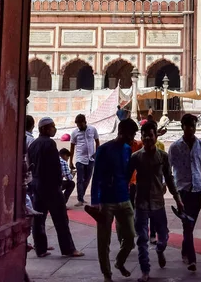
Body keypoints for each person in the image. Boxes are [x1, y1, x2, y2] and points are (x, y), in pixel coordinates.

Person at [129, 121, 182, 282]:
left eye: (150, 135)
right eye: (144, 135)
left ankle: (160, 250)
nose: (147, 138)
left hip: (158, 202)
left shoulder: (163, 157)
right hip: (141, 203)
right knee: (142, 238)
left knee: (163, 236)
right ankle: (145, 270)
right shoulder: (136, 157)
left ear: (156, 136)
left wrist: (177, 199)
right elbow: (125, 178)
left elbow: (170, 179)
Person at [88, 118, 139, 282]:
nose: (132, 138)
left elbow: (126, 173)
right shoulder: (104, 149)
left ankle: (119, 261)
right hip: (106, 201)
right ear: (121, 133)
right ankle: (107, 274)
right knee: (104, 241)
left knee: (131, 238)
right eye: (131, 135)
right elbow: (96, 176)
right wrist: (95, 200)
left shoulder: (127, 149)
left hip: (124, 198)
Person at [27, 117, 84, 258]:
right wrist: (58, 183)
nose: (54, 128)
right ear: (45, 129)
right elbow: (54, 166)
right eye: (52, 126)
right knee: (61, 220)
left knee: (39, 218)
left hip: (36, 185)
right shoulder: (50, 144)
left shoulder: (33, 145)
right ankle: (68, 249)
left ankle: (40, 249)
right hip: (51, 187)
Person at [168, 113, 201, 272]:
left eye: (193, 126)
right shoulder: (175, 147)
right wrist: (165, 187)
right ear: (183, 127)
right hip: (182, 190)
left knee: (190, 224)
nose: (191, 129)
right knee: (187, 224)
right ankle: (192, 259)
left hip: (197, 189)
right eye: (188, 126)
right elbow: (167, 170)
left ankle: (184, 249)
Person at [70, 113, 100, 206]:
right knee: (80, 179)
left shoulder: (93, 129)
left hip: (91, 158)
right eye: (77, 125)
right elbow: (72, 146)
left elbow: (97, 141)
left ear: (85, 122)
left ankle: (82, 195)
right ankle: (80, 199)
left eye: (80, 124)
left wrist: (97, 153)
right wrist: (70, 161)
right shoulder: (75, 132)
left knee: (87, 179)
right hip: (80, 159)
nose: (79, 126)